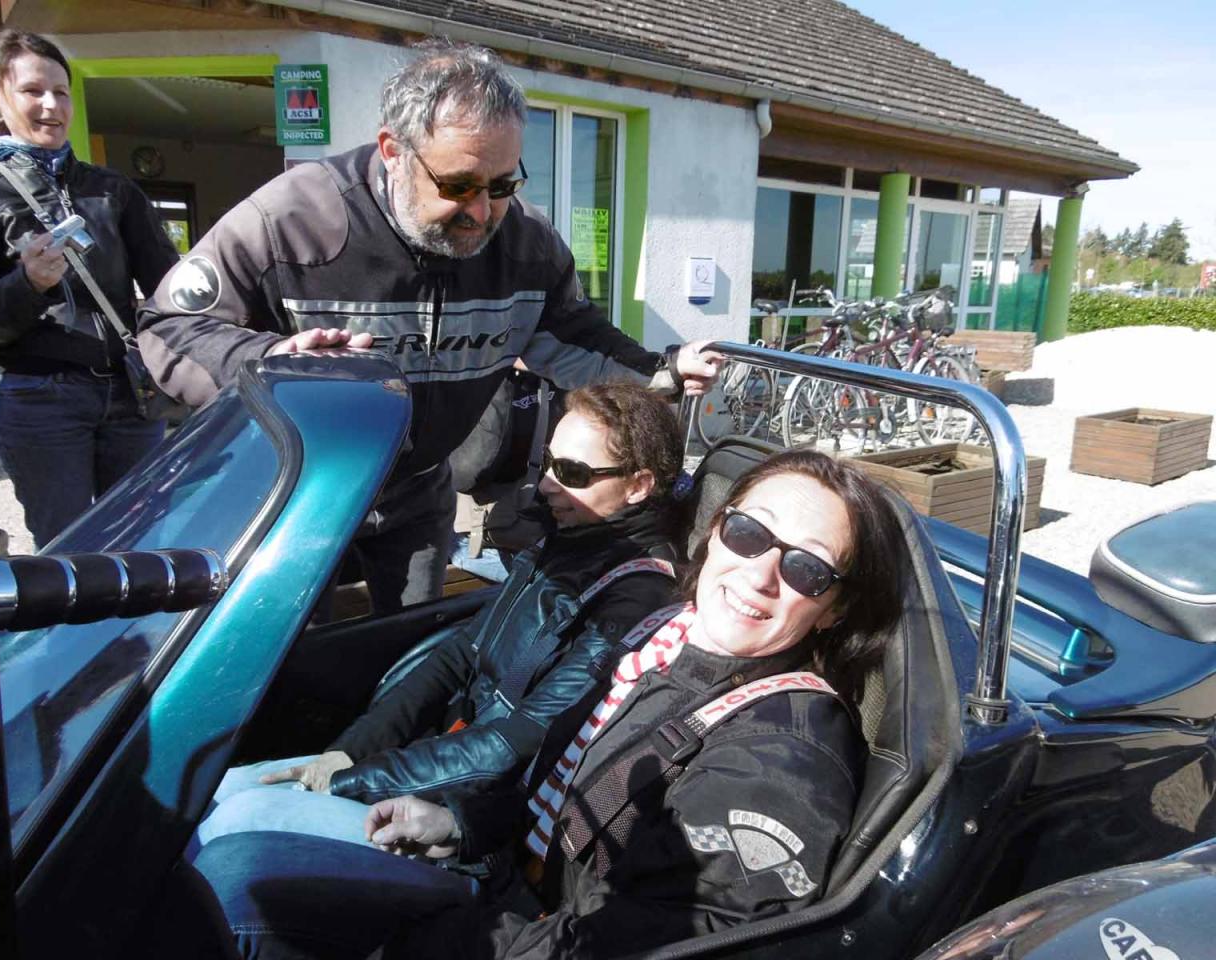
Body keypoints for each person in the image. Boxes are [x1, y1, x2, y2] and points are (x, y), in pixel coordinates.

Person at [184, 449, 910, 959]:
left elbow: (662, 942)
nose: (760, 574)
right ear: (716, 530)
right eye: (749, 533)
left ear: (836, 609)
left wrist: (423, 945)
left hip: (518, 933)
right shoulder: (668, 637)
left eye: (807, 568)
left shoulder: (777, 754)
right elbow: (571, 789)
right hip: (501, 878)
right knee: (222, 839)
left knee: (236, 890)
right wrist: (462, 822)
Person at [135, 39, 720, 616]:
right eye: (459, 185)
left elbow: (571, 332)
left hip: (418, 492)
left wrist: (665, 369)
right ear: (394, 151)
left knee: (409, 640)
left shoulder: (526, 243)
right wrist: (277, 365)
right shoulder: (290, 220)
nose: (482, 212)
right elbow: (169, 327)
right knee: (285, 648)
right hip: (296, 492)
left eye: (502, 185)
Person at [192, 381, 685, 852]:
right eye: (549, 462)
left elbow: (517, 742)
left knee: (239, 816)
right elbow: (460, 653)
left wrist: (350, 781)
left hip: (473, 818)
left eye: (572, 473)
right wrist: (352, 750)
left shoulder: (634, 599)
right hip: (438, 762)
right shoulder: (566, 544)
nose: (546, 485)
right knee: (219, 790)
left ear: (638, 485)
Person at [0, 28, 179, 547]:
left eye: (61, 92)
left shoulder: (113, 190)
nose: (51, 106)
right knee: (67, 553)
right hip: (43, 400)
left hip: (131, 395)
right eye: (32, 91)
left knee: (142, 544)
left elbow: (170, 289)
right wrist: (27, 285)